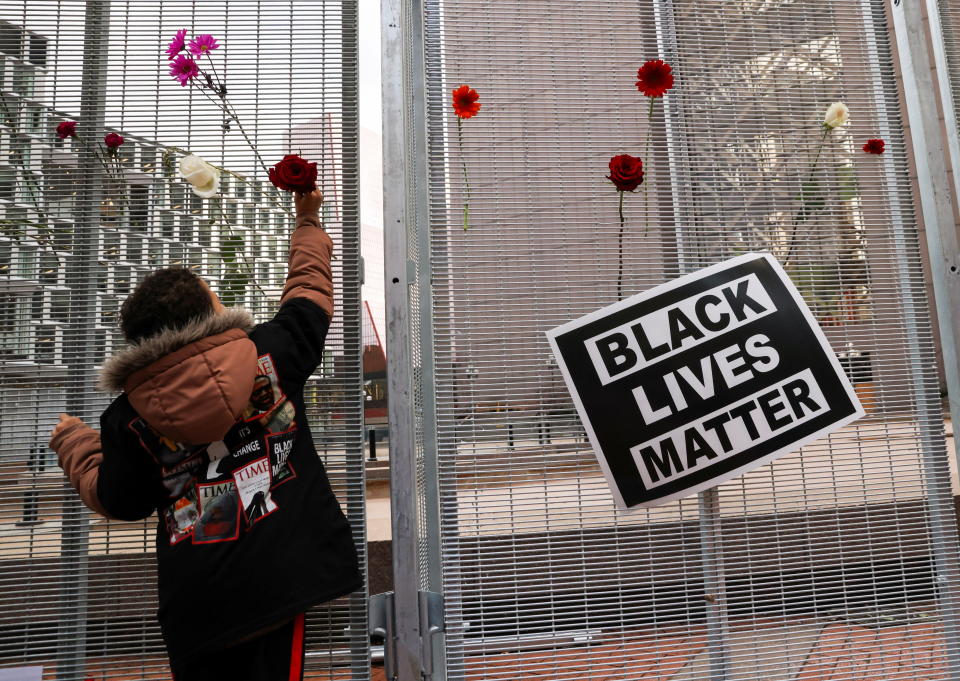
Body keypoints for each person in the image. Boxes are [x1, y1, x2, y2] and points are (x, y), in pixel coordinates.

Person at [48, 189, 361, 681]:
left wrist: (72, 440)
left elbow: (120, 498)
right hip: (283, 575)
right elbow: (308, 293)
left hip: (197, 602)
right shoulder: (271, 354)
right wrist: (307, 219)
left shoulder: (127, 418)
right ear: (206, 314)